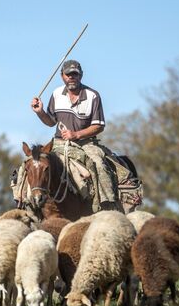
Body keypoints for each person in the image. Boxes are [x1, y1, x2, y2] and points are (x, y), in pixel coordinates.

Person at [30, 59, 120, 211]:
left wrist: (76, 134)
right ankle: (24, 202)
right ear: (62, 76)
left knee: (99, 163)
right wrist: (40, 112)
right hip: (58, 143)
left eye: (75, 74)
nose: (72, 77)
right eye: (68, 74)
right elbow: (51, 122)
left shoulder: (93, 96)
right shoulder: (57, 94)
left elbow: (99, 126)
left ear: (81, 76)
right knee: (32, 164)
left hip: (86, 144)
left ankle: (107, 204)